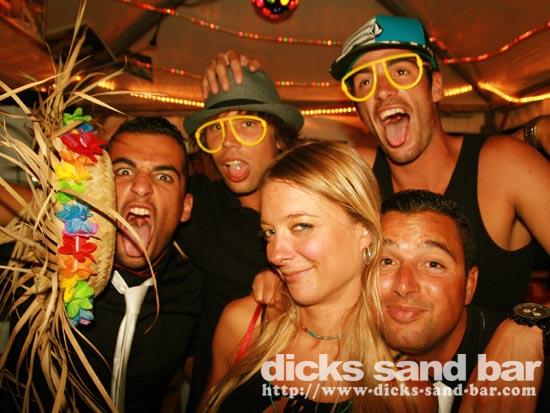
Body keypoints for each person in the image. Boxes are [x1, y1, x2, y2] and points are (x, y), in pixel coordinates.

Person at [202, 15, 550, 310]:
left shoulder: (505, 166)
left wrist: (532, 326)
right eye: (365, 82)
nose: (382, 91)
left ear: (435, 87)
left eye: (401, 72)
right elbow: (283, 167)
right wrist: (236, 85)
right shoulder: (358, 172)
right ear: (359, 109)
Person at [0, 116, 203, 412]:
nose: (141, 187)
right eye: (124, 171)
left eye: (164, 177)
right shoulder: (42, 259)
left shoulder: (193, 286)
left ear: (185, 207)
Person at [202, 140, 420, 413]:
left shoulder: (403, 385)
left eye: (301, 226)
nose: (275, 254)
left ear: (364, 230)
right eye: (269, 232)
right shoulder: (243, 326)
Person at [177, 67, 304, 409]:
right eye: (216, 129)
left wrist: (286, 281)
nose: (229, 142)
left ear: (279, 137)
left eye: (247, 124)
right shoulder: (197, 205)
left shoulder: (313, 211)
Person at [379, 189, 548, 413]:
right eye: (386, 261)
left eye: (433, 264)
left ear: (469, 285)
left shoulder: (524, 369)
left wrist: (530, 328)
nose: (404, 286)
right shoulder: (339, 367)